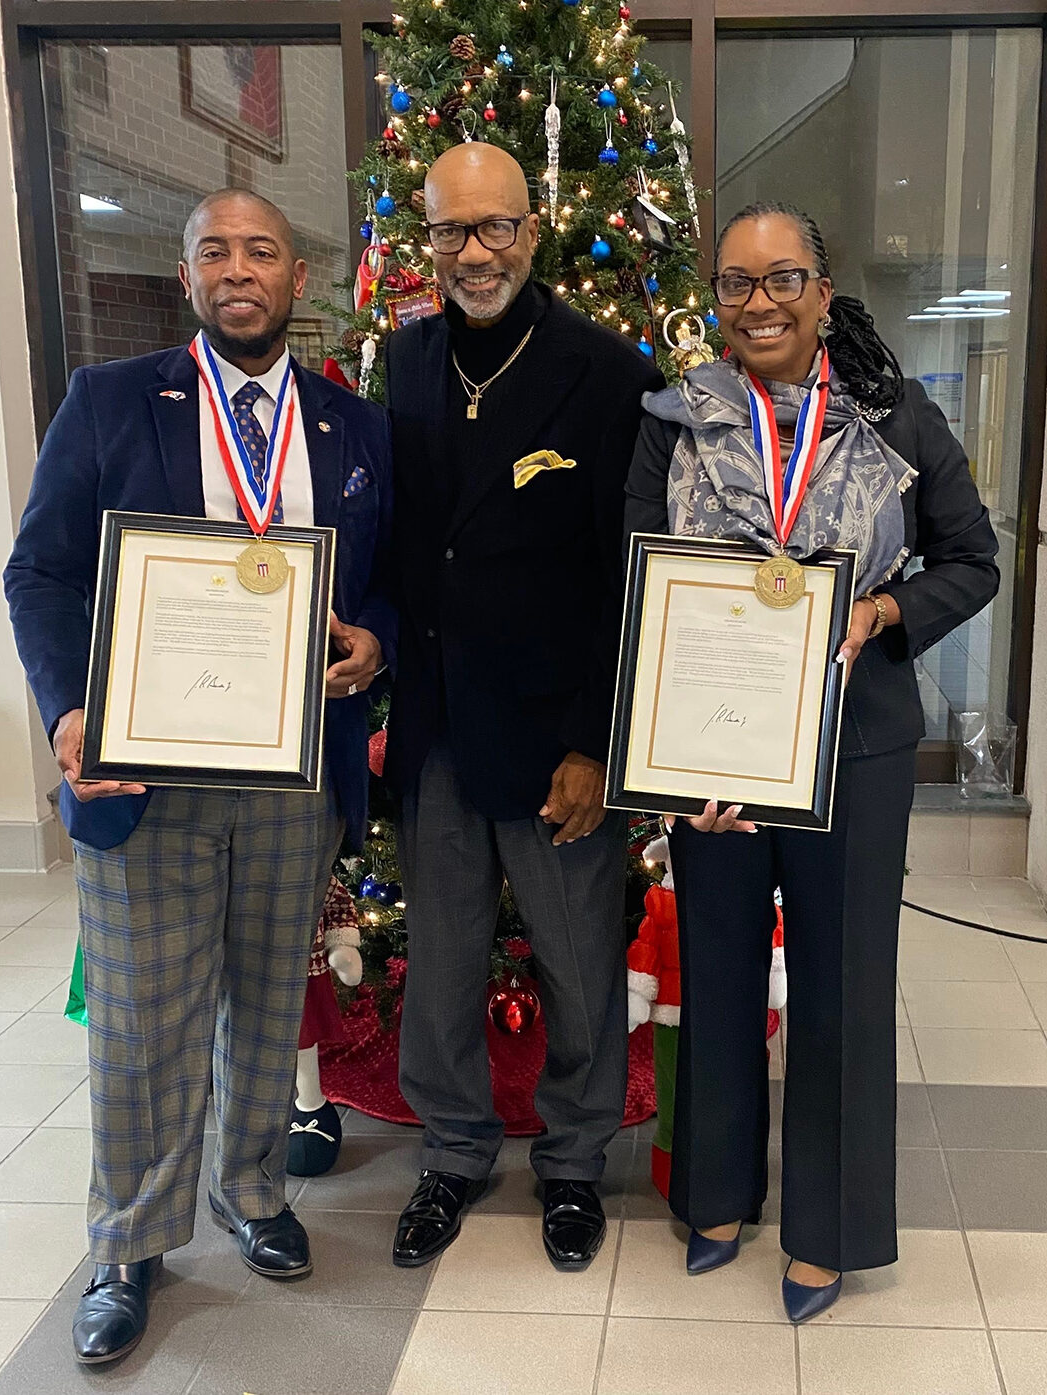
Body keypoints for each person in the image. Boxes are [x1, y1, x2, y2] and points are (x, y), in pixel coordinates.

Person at [4, 189, 394, 1363]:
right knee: (140, 1018)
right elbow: (41, 573)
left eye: (262, 250)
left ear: (297, 278)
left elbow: (382, 584)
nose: (239, 269)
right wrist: (70, 711)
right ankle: (129, 1243)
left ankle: (253, 1189)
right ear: (188, 278)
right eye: (216, 250)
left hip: (294, 775)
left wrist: (370, 637)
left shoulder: (350, 425)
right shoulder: (112, 402)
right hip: (146, 776)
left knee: (268, 1002)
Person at [625, 201, 999, 1323]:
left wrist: (884, 607)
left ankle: (827, 1228)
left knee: (840, 987)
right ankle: (719, 1199)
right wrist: (673, 763)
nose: (760, 303)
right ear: (717, 303)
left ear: (822, 295)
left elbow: (973, 560)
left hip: (857, 744)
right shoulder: (675, 417)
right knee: (721, 965)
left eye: (782, 280)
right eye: (736, 284)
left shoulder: (894, 417)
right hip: (714, 750)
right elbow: (640, 577)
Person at [384, 143, 662, 1272]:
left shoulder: (608, 372)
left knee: (579, 963)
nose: (474, 253)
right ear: (430, 240)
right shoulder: (402, 362)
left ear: (533, 232)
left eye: (495, 228)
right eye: (452, 232)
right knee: (439, 962)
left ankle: (573, 1164)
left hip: (558, 735)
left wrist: (597, 742)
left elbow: (629, 574)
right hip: (441, 726)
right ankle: (452, 1153)